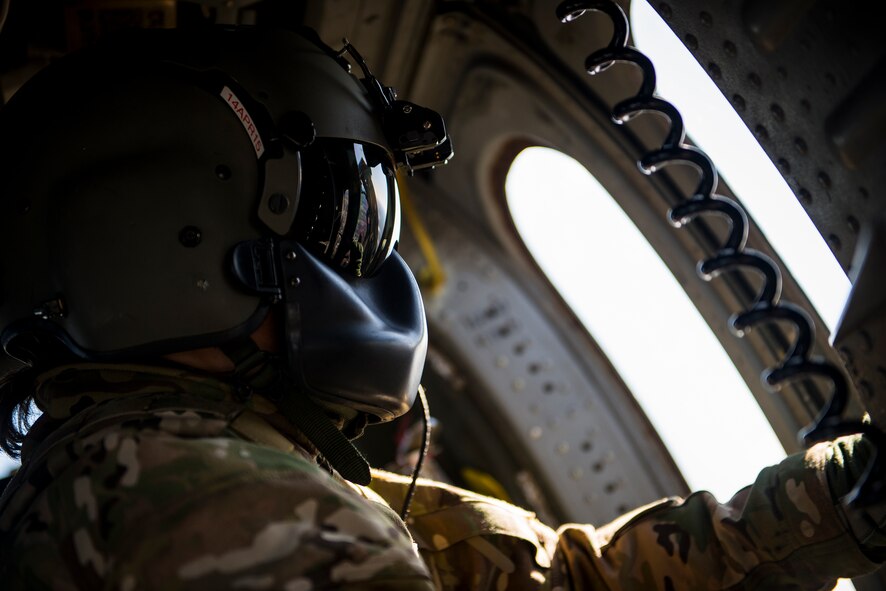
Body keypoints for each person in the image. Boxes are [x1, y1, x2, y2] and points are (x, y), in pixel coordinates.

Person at [0, 24, 883, 590]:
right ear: (174, 234)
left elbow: (569, 578)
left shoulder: (198, 463)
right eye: (341, 217)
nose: (363, 263)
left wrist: (850, 495)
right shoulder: (228, 502)